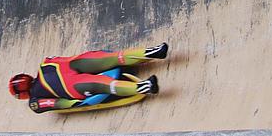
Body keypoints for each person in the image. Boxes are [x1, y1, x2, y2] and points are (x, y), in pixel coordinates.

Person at [9, 42, 168, 113]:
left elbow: (57, 103)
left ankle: (143, 86)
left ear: (22, 95)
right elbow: (67, 59)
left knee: (103, 85)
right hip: (77, 64)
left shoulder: (34, 102)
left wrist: (78, 104)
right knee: (113, 57)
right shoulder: (45, 62)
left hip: (72, 86)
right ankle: (152, 51)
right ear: (27, 76)